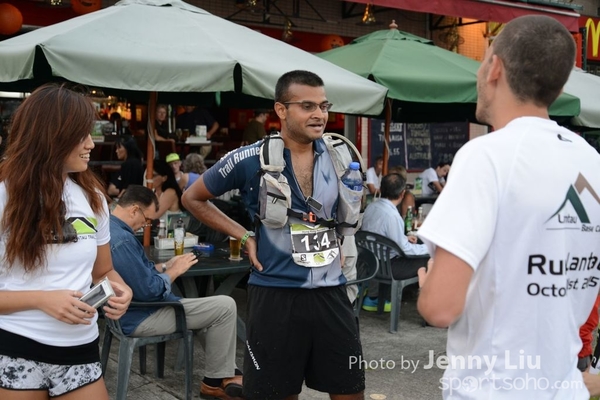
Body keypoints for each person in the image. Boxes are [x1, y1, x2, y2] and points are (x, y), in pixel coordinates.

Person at [417, 15, 600, 399]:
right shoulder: (591, 160)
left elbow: (439, 308)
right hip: (563, 387)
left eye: (481, 61)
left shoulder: (486, 156)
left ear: (495, 67)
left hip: (493, 388)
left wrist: (429, 282)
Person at [182, 70, 364, 400]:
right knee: (276, 393)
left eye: (324, 106)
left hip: (332, 292)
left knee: (350, 391)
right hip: (275, 294)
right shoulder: (250, 157)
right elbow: (192, 197)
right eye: (307, 106)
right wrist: (243, 235)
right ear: (281, 110)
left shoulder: (340, 156)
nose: (319, 114)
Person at [0, 84, 132, 399]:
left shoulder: (93, 197)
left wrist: (121, 289)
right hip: (17, 347)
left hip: (80, 348)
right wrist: (42, 300)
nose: (91, 143)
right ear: (51, 136)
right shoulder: (5, 196)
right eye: (80, 134)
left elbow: (103, 271)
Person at [109, 185, 243, 399]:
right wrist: (174, 271)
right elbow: (150, 291)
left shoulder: (109, 229)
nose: (145, 225)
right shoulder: (123, 240)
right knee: (225, 306)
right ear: (134, 210)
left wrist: (165, 266)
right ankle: (215, 382)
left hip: (131, 312)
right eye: (146, 220)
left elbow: (139, 276)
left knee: (210, 313)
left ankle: (227, 376)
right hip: (141, 315)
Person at [360, 173, 429, 311]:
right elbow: (405, 250)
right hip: (388, 267)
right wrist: (429, 249)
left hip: (371, 263)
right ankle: (428, 308)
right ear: (402, 194)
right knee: (429, 260)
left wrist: (404, 238)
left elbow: (379, 233)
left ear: (381, 189)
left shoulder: (371, 207)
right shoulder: (392, 216)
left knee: (418, 247)